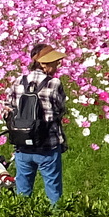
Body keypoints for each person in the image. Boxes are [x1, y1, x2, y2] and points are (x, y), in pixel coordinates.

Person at [8, 43, 66, 203]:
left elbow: (8, 109)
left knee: (22, 194)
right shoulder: (54, 83)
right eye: (54, 61)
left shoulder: (19, 81)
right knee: (54, 193)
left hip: (22, 146)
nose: (58, 64)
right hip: (47, 145)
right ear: (43, 64)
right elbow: (60, 110)